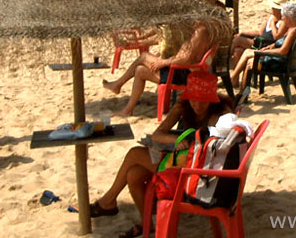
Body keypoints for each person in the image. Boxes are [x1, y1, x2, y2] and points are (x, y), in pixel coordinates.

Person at [90, 71, 233, 237]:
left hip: (200, 171)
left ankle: (108, 202)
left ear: (212, 98)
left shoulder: (220, 113)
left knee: (134, 154)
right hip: (189, 160)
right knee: (133, 174)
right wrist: (175, 141)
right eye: (193, 99)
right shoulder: (184, 104)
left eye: (203, 100)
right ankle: (145, 223)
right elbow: (158, 134)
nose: (197, 105)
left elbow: (215, 148)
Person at [102, 21, 218, 117]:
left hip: (184, 73)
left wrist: (163, 62)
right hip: (184, 70)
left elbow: (186, 58)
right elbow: (179, 52)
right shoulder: (199, 30)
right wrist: (133, 42)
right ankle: (127, 108)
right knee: (140, 70)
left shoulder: (199, 32)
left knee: (144, 57)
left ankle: (118, 85)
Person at [231, 1, 296, 91]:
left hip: (277, 64)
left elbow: (283, 51)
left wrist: (264, 52)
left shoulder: (293, 31)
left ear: (289, 18)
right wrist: (270, 47)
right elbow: (281, 43)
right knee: (246, 54)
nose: (283, 19)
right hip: (280, 60)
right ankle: (239, 85)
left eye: (283, 16)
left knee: (249, 61)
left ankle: (242, 91)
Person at [229, 0, 288, 80]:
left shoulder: (282, 22)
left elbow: (276, 37)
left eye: (274, 8)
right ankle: (234, 81)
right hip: (260, 41)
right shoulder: (271, 17)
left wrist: (273, 24)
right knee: (238, 51)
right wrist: (243, 32)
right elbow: (260, 32)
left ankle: (225, 60)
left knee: (237, 40)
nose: (272, 10)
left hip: (266, 46)